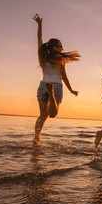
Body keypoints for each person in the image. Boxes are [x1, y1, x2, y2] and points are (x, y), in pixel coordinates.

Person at [32, 14, 80, 146]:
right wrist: (71, 89)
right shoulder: (61, 60)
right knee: (52, 114)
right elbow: (63, 76)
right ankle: (51, 95)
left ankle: (36, 139)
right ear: (55, 47)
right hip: (56, 85)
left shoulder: (42, 57)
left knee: (42, 115)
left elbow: (39, 40)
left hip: (44, 84)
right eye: (60, 47)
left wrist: (40, 25)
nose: (62, 49)